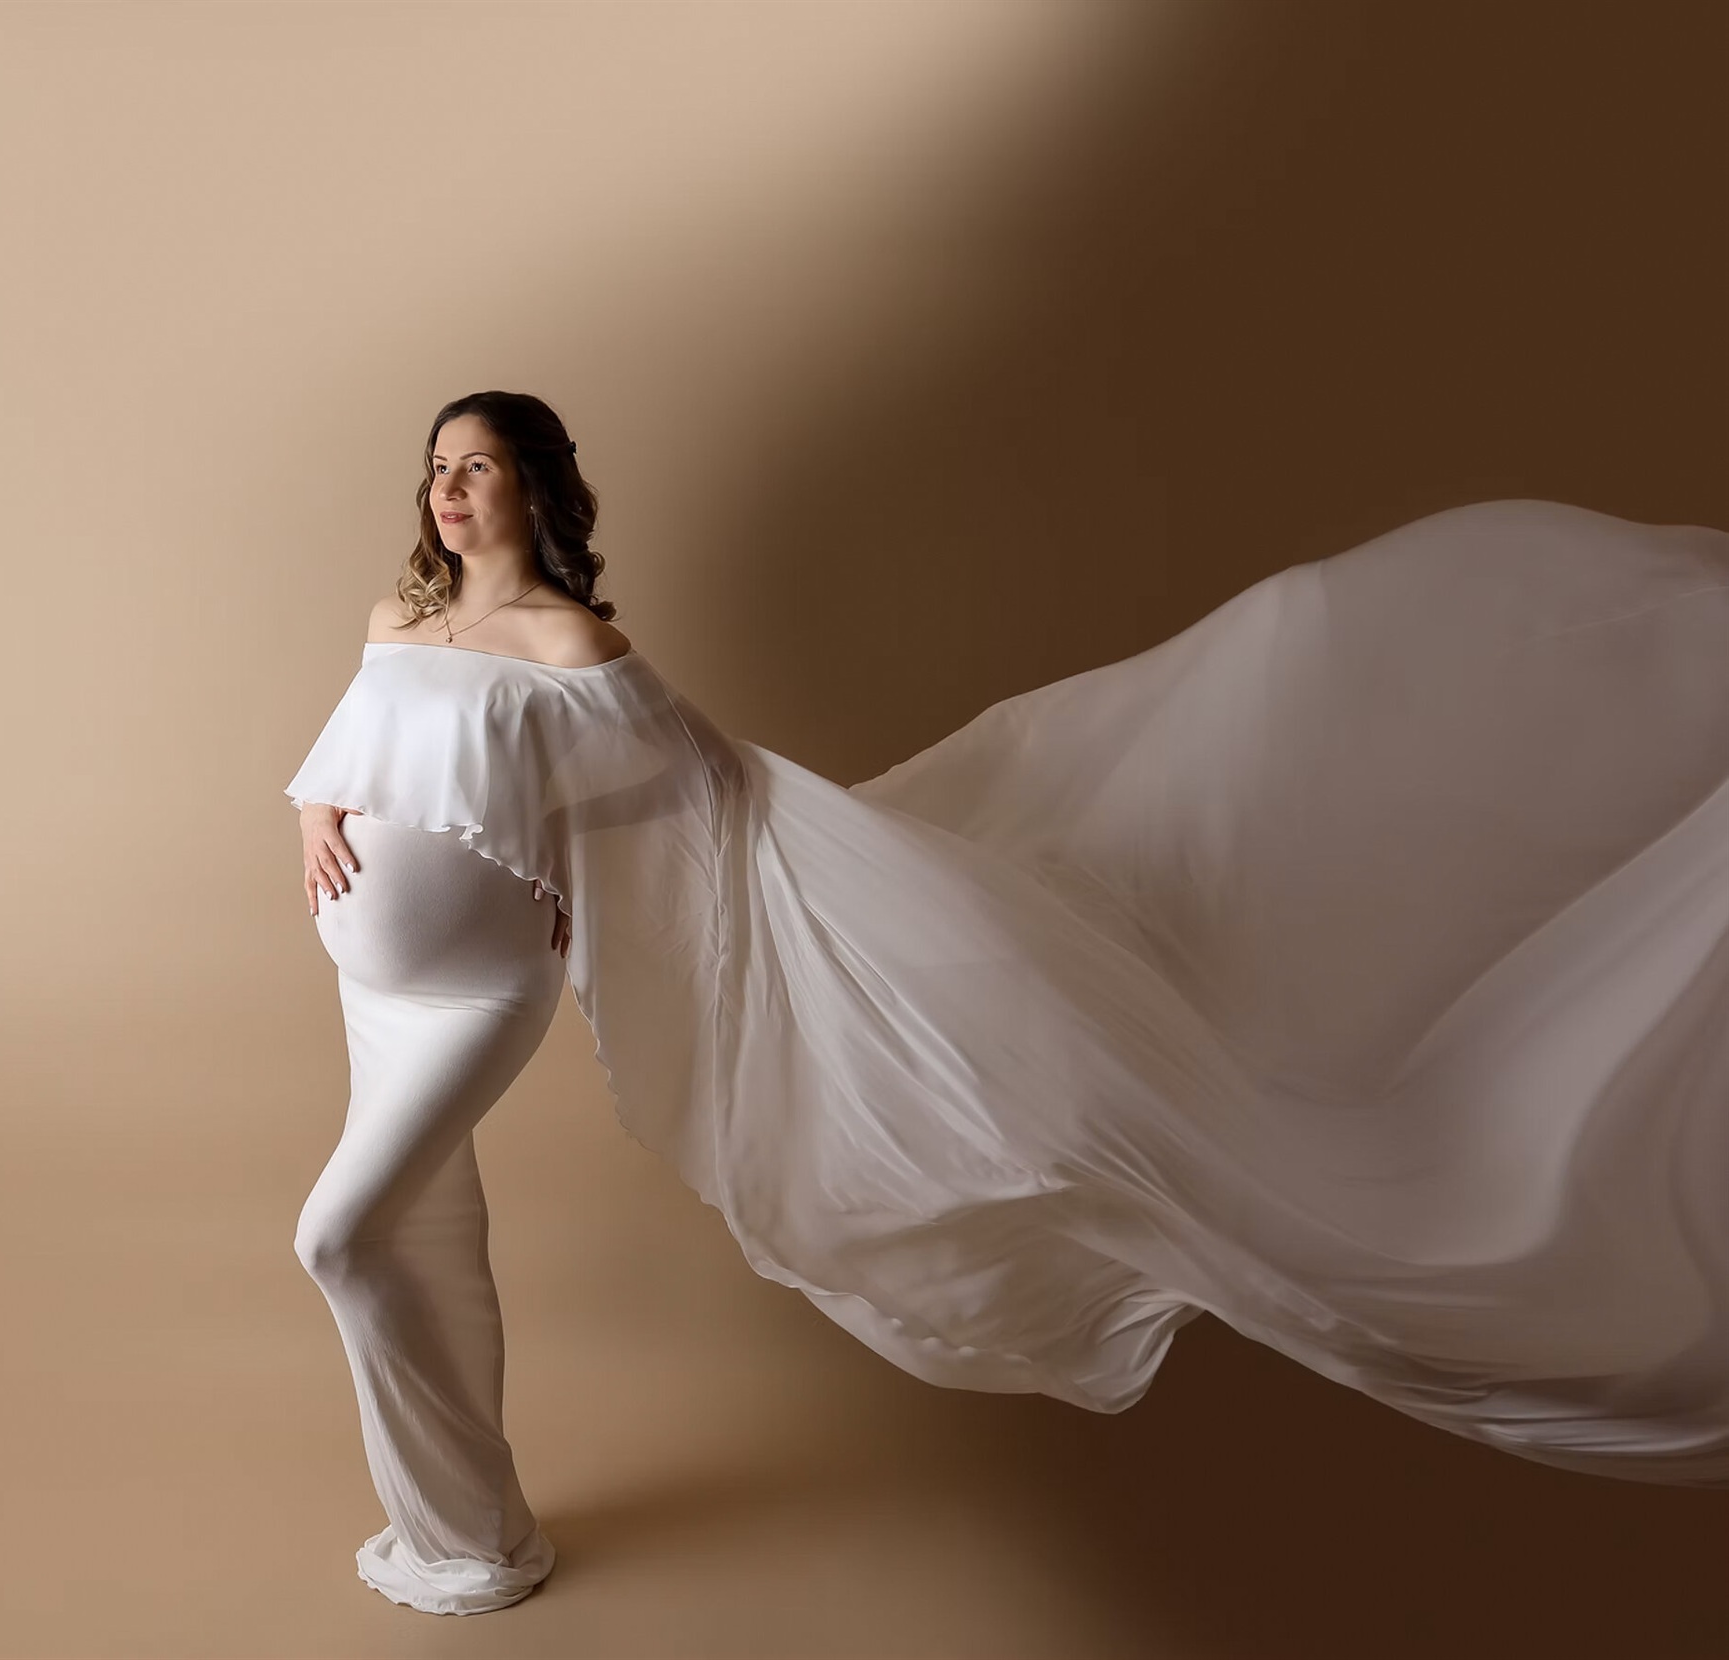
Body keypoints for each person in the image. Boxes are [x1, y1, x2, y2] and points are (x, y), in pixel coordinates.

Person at [285, 389, 1729, 1616]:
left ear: (536, 488)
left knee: (341, 1234)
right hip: (371, 986)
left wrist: (577, 881)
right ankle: (471, 1537)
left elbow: (691, 797)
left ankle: (463, 1532)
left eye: (480, 464)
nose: (450, 487)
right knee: (428, 1236)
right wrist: (314, 820)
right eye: (439, 465)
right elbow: (354, 747)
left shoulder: (568, 646)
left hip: (474, 994)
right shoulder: (398, 616)